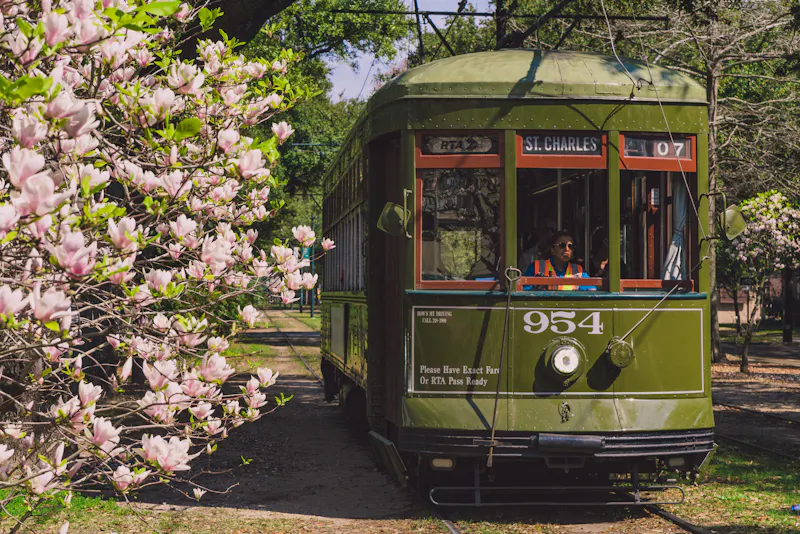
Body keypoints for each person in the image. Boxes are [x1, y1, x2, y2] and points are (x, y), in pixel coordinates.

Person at [522, 230, 595, 290]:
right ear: (552, 249)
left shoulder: (578, 270)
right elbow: (524, 290)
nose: (567, 249)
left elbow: (592, 290)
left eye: (570, 246)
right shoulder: (536, 267)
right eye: (562, 245)